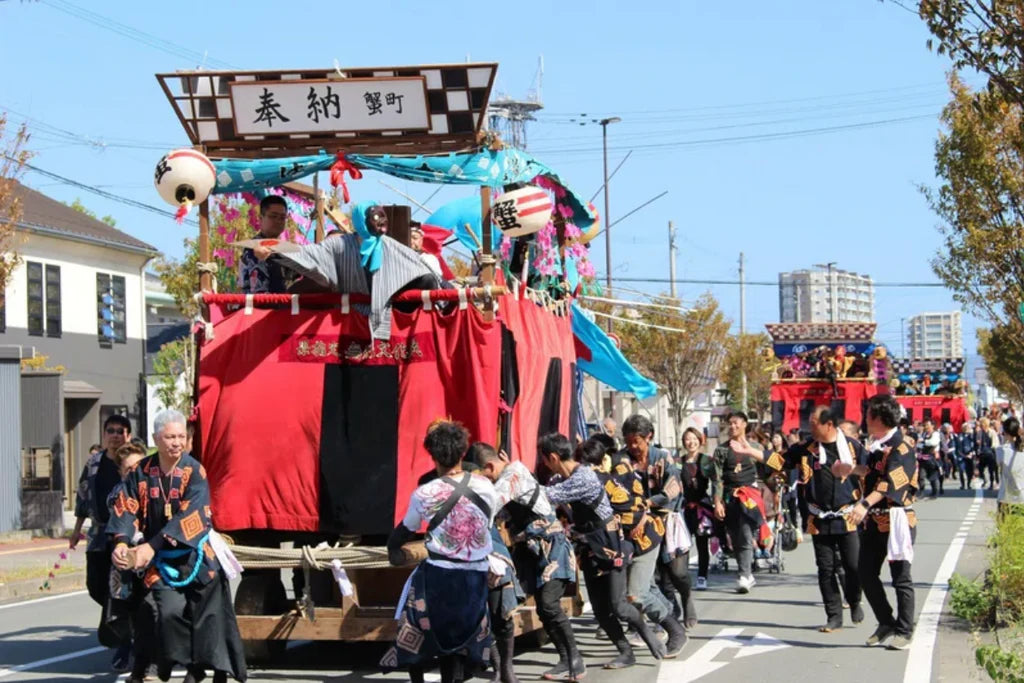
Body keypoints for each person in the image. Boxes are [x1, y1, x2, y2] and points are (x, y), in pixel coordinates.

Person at [108, 410, 246, 683]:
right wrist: (122, 543)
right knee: (165, 612)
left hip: (196, 557)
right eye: (170, 436)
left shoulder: (195, 471)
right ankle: (178, 665)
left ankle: (213, 670)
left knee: (209, 617)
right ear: (156, 439)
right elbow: (125, 508)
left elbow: (193, 517)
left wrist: (152, 546)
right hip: (160, 563)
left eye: (181, 436)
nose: (176, 442)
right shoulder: (139, 472)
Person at [381, 421, 498, 683]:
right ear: (462, 453)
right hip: (477, 577)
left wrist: (392, 548)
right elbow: (487, 525)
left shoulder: (425, 493)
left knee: (414, 623)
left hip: (440, 577)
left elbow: (406, 529)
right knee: (459, 640)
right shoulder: (486, 487)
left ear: (432, 456)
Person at [542, 434, 666, 669]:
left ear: (553, 458)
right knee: (600, 610)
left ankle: (649, 634)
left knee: (618, 605)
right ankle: (626, 652)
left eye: (546, 462)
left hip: (609, 545)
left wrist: (514, 480)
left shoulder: (583, 477)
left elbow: (548, 496)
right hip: (589, 547)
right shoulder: (562, 478)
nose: (546, 467)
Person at [472, 443, 584, 682]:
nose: (486, 481)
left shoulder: (511, 476)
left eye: (485, 475)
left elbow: (490, 505)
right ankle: (502, 666)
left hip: (550, 547)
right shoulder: (508, 472)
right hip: (527, 550)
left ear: (490, 466)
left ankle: (574, 659)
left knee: (548, 604)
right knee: (505, 602)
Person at [254, 201, 435, 340]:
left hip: (386, 329)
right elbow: (308, 254)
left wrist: (446, 297)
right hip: (347, 326)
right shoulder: (339, 245)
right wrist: (272, 248)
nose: (378, 223)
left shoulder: (390, 246)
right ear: (360, 221)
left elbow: (425, 274)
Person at [764, 406, 868, 631]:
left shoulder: (852, 446)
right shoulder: (805, 449)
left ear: (828, 425)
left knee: (852, 565)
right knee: (825, 568)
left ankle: (854, 600)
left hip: (848, 515)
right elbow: (781, 462)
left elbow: (868, 472)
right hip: (818, 517)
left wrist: (852, 473)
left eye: (813, 424)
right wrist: (755, 453)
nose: (809, 428)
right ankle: (833, 616)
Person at [849, 394, 919, 651]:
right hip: (875, 522)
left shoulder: (903, 447)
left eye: (868, 415)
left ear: (878, 418)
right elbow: (872, 472)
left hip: (897, 519)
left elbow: (890, 483)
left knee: (901, 577)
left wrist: (864, 504)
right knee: (866, 573)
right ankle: (885, 622)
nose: (865, 420)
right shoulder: (877, 446)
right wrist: (849, 469)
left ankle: (904, 629)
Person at [619, 415, 690, 653]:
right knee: (647, 584)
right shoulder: (622, 459)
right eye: (628, 442)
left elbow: (673, 490)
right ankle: (666, 627)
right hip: (629, 532)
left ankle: (673, 628)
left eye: (636, 441)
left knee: (638, 591)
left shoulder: (662, 458)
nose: (632, 447)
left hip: (655, 527)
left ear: (648, 437)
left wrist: (646, 507)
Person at [71, 414, 133, 671]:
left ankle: (123, 641)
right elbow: (83, 496)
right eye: (111, 430)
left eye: (120, 431)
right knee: (96, 586)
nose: (115, 435)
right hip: (98, 535)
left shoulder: (133, 461)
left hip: (125, 536)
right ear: (104, 434)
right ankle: (118, 624)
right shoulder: (94, 463)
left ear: (127, 435)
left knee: (118, 590)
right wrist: (76, 530)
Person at [105, 443, 152, 683]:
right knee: (125, 606)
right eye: (128, 468)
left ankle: (149, 658)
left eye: (139, 465)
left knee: (150, 606)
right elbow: (120, 522)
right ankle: (125, 646)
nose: (134, 470)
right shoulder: (118, 493)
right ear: (121, 472)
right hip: (124, 557)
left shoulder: (153, 486)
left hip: (151, 556)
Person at [712, 412, 773, 593]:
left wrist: (775, 492)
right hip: (730, 498)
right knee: (735, 536)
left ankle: (744, 575)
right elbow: (717, 479)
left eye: (736, 423)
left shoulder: (754, 447)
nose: (732, 427)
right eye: (729, 423)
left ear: (745, 424)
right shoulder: (721, 450)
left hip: (750, 496)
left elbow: (767, 471)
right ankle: (746, 573)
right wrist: (717, 501)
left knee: (746, 533)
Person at [679, 427, 717, 591]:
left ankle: (702, 577)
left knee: (702, 544)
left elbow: (716, 481)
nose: (691, 442)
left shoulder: (706, 460)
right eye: (688, 439)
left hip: (702, 508)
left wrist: (717, 500)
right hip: (684, 508)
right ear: (683, 442)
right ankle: (682, 577)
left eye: (694, 438)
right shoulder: (678, 462)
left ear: (700, 441)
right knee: (683, 545)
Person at [239, 195, 295, 294]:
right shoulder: (254, 247)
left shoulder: (282, 249)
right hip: (258, 306)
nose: (278, 221)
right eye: (273, 216)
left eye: (282, 217)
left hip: (281, 306)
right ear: (261, 219)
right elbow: (258, 291)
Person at [996, 417, 1024, 517]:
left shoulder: (1001, 450)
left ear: (1006, 433)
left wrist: (1004, 440)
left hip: (1006, 497)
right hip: (1022, 497)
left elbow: (1000, 465)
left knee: (1004, 531)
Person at [917, 420, 943, 498]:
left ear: (932, 426)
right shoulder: (924, 434)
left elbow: (933, 442)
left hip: (932, 459)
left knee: (933, 476)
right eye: (925, 425)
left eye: (928, 425)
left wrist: (923, 442)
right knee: (921, 476)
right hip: (923, 458)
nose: (926, 427)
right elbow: (919, 445)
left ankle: (935, 492)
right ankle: (921, 491)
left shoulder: (936, 434)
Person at [976, 418, 999, 490]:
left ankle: (992, 483)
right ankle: (984, 480)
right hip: (982, 453)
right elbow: (977, 443)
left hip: (990, 453)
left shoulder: (992, 432)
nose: (981, 426)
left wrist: (992, 448)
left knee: (991, 470)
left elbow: (995, 443)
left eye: (982, 424)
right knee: (980, 468)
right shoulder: (979, 433)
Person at [955, 422, 977, 490]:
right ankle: (962, 485)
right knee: (961, 470)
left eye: (969, 427)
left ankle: (969, 484)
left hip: (970, 456)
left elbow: (974, 446)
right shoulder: (960, 436)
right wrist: (964, 456)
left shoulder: (972, 436)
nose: (968, 429)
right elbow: (958, 449)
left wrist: (972, 453)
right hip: (962, 456)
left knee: (969, 471)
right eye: (966, 427)